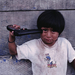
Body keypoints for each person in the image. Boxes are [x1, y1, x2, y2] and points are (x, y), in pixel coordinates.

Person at [8, 10, 75, 75]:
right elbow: (13, 52)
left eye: (53, 31)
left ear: (59, 32)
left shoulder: (64, 44)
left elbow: (73, 59)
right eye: (45, 30)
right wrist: (12, 36)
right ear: (39, 30)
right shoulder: (33, 46)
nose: (48, 35)